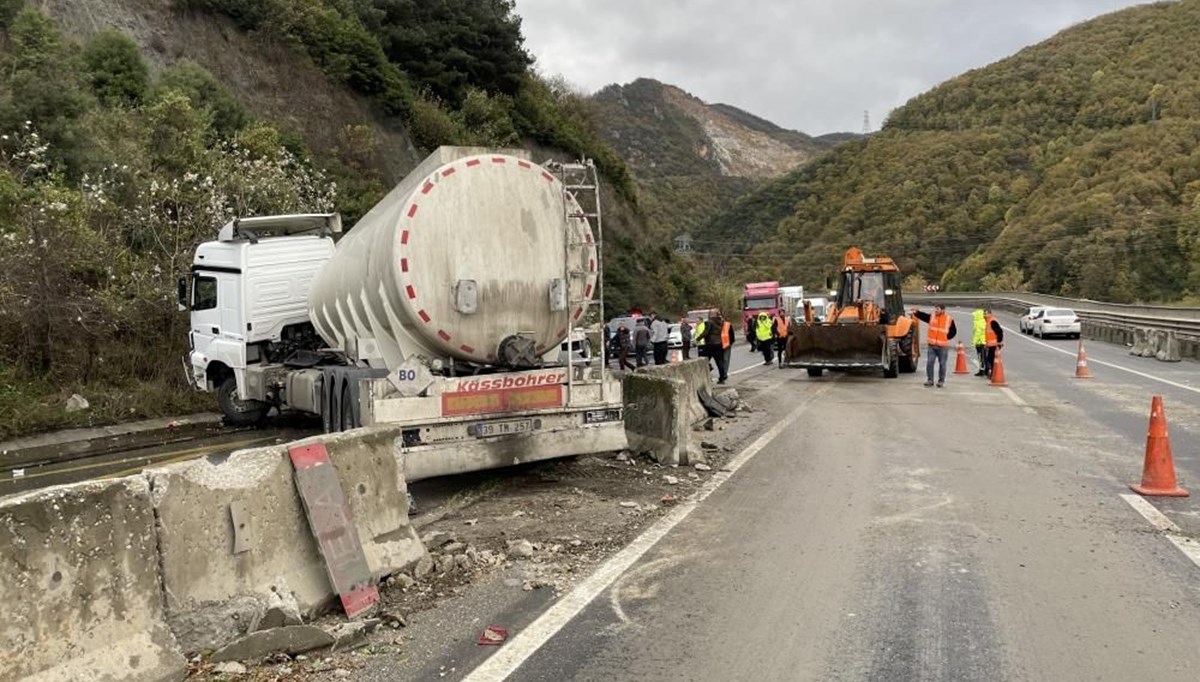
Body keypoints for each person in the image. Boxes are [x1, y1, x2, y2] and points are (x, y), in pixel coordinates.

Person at [911, 303, 957, 387]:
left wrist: (946, 337)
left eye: (938, 309)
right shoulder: (932, 317)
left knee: (942, 364)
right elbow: (924, 316)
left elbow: (953, 331)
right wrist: (916, 313)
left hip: (942, 346)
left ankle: (941, 381)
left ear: (943, 310)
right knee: (930, 363)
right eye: (935, 309)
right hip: (932, 346)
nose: (936, 310)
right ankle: (930, 380)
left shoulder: (949, 319)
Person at [982, 308, 1005, 378]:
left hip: (994, 345)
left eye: (985, 313)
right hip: (991, 345)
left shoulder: (992, 321)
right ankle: (993, 372)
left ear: (990, 314)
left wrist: (999, 342)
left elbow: (999, 332)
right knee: (990, 359)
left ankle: (994, 374)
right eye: (984, 314)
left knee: (991, 359)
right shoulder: (988, 322)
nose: (984, 315)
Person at [972, 308, 987, 376]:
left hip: (980, 342)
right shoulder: (983, 322)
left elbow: (977, 334)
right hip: (983, 342)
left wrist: (974, 342)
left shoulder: (978, 323)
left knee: (981, 357)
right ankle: (983, 370)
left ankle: (982, 371)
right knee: (983, 357)